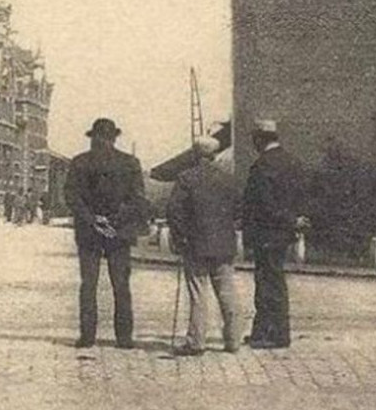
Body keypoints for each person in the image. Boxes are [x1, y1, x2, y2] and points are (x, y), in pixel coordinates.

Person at [64, 117, 146, 349]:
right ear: (114, 137)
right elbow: (137, 200)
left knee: (89, 284)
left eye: (101, 138)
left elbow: (72, 197)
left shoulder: (80, 162)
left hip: (90, 232)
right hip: (118, 232)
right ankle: (124, 338)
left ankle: (88, 336)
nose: (101, 142)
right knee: (120, 285)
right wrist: (113, 220)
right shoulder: (130, 163)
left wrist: (93, 220)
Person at [165, 136, 243, 355]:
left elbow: (173, 211)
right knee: (227, 292)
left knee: (199, 294)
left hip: (195, 245)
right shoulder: (228, 179)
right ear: (215, 155)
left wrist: (180, 238)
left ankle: (196, 341)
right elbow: (239, 210)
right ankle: (233, 341)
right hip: (224, 245)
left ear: (195, 154)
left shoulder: (186, 178)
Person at [240, 119, 301, 349]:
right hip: (283, 233)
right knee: (275, 281)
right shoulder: (292, 162)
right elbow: (299, 196)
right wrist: (294, 219)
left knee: (267, 284)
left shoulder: (262, 166)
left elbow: (263, 204)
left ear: (259, 139)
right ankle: (265, 332)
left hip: (265, 232)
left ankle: (273, 335)